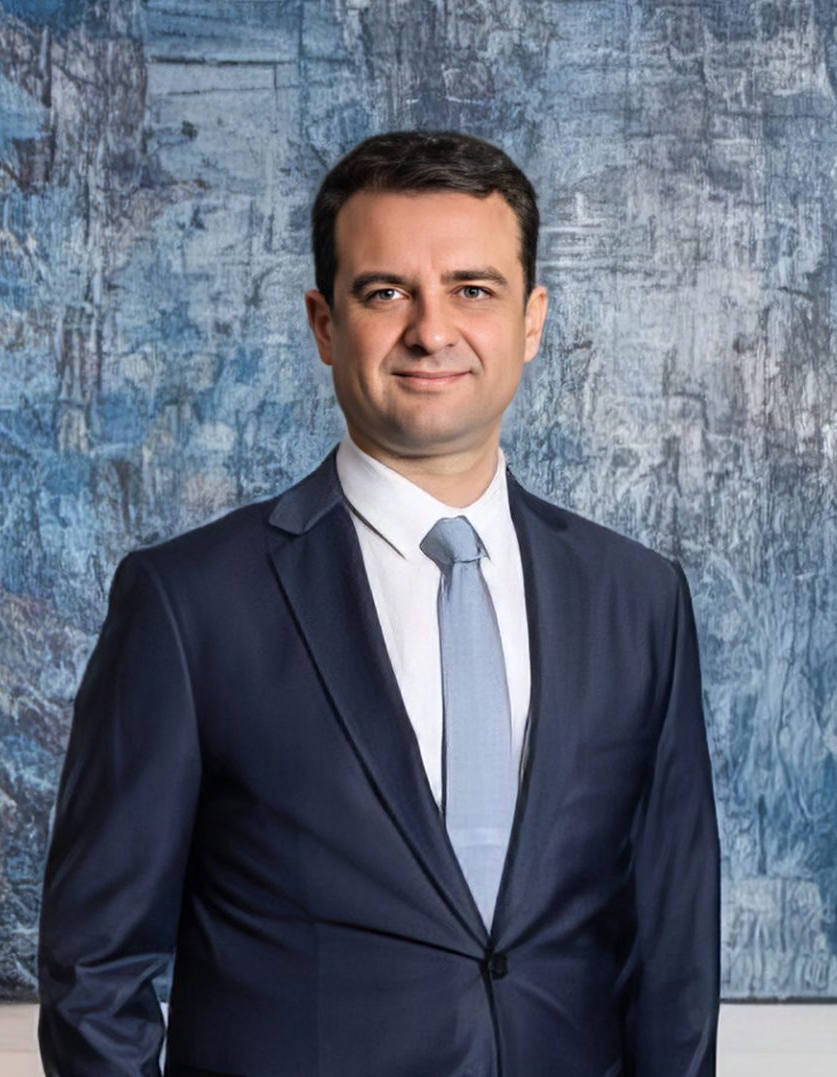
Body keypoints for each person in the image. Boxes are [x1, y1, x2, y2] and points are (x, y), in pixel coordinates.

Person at [37, 129, 720, 1077]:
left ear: (532, 320)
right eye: (386, 292)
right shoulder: (190, 607)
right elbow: (94, 975)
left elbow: (675, 965)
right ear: (324, 324)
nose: (432, 331)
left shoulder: (638, 601)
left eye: (472, 290)